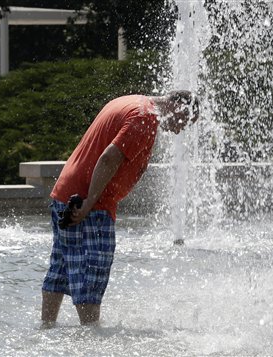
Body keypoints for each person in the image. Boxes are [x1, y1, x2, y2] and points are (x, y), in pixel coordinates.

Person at [40, 90, 199, 328]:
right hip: (89, 205)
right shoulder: (145, 117)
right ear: (179, 108)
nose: (181, 130)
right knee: (91, 274)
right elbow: (108, 158)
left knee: (61, 268)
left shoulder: (130, 102)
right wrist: (88, 204)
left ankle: (46, 327)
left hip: (67, 193)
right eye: (185, 122)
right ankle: (91, 341)